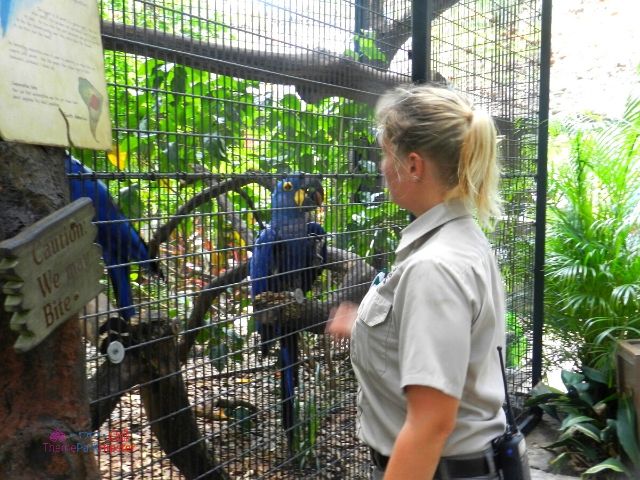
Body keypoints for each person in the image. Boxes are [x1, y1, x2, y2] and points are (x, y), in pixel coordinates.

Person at [327, 84, 513, 479]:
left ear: (413, 165)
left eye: (384, 153)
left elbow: (430, 425)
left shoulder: (435, 268)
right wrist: (362, 323)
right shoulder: (460, 240)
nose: (380, 166)